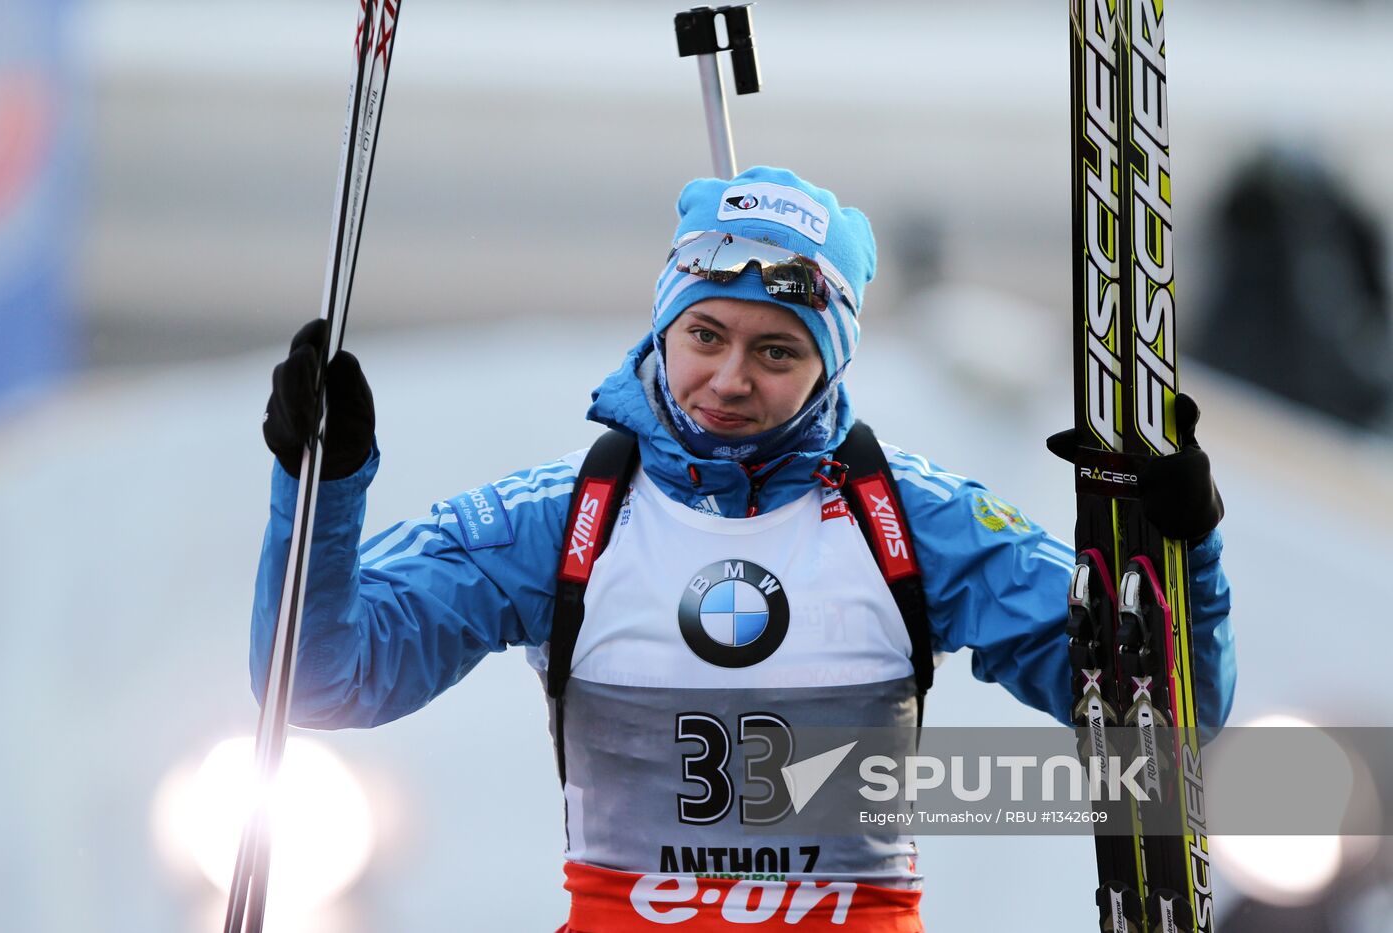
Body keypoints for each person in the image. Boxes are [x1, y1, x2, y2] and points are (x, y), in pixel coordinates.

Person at [253, 166, 1234, 931]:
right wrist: (322, 485)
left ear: (826, 365)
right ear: (662, 328)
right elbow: (317, 681)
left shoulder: (913, 520)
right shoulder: (557, 517)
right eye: (705, 335)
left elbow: (1158, 714)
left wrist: (1180, 547)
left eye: (775, 352)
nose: (727, 379)